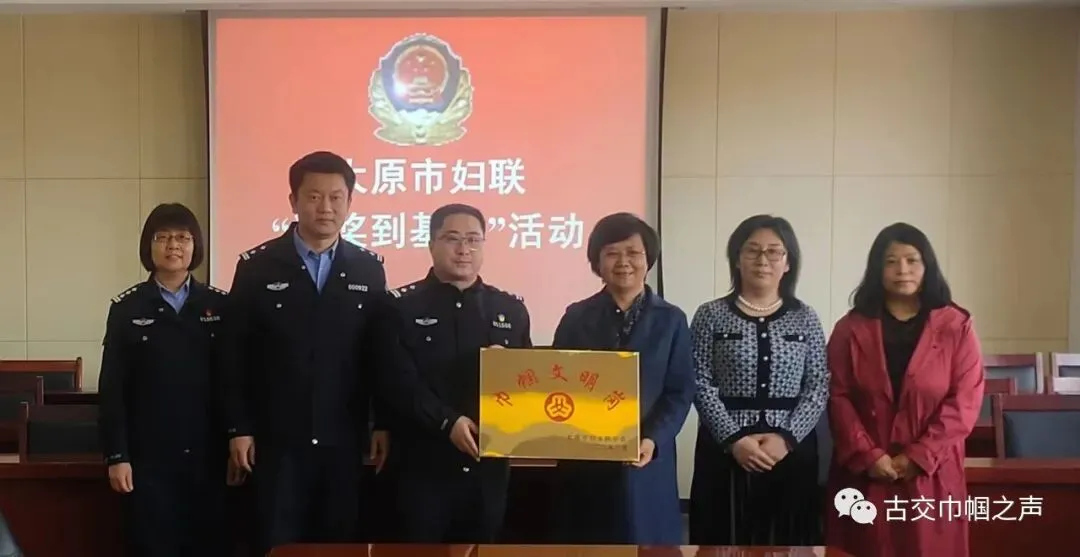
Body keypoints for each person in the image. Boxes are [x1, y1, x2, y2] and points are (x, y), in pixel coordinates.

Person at [220, 151, 450, 553]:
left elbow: (380, 356)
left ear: (349, 202)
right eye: (313, 196)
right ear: (293, 201)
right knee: (277, 542)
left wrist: (381, 423)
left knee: (338, 542)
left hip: (343, 436)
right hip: (277, 439)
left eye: (336, 197)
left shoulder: (367, 268)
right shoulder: (258, 267)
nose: (325, 207)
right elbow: (233, 355)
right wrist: (239, 428)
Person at [374, 203, 532, 543]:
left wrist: (511, 371)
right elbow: (398, 382)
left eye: (474, 240)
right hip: (422, 464)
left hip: (487, 468)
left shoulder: (510, 309)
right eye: (453, 239)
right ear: (432, 244)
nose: (464, 249)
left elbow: (530, 384)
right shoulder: (399, 307)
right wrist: (448, 421)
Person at [826, 223, 984, 557]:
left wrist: (918, 456)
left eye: (912, 260)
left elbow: (965, 402)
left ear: (927, 266)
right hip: (865, 474)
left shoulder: (956, 326)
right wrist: (869, 455)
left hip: (932, 473)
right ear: (876, 269)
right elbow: (837, 396)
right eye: (891, 261)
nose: (902, 270)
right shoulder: (850, 328)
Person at [548, 212, 694, 545]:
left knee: (647, 543)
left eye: (633, 252)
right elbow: (554, 380)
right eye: (612, 253)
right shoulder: (576, 316)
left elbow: (680, 391)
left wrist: (653, 438)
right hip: (585, 459)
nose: (624, 262)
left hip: (646, 459)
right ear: (597, 262)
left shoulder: (671, 320)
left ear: (649, 259)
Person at [98, 203, 230, 557]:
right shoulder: (127, 308)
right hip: (149, 460)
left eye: (183, 237)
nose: (174, 245)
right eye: (164, 237)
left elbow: (232, 381)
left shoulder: (219, 306)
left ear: (195, 245)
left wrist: (237, 435)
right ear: (149, 246)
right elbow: (113, 389)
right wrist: (117, 455)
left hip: (208, 457)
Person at [688, 214, 828, 546]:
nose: (762, 260)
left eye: (774, 251)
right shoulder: (710, 315)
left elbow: (818, 385)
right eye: (752, 250)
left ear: (788, 263)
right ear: (737, 259)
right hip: (725, 452)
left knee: (789, 541)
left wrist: (786, 439)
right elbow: (699, 381)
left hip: (790, 452)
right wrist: (735, 439)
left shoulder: (805, 317)